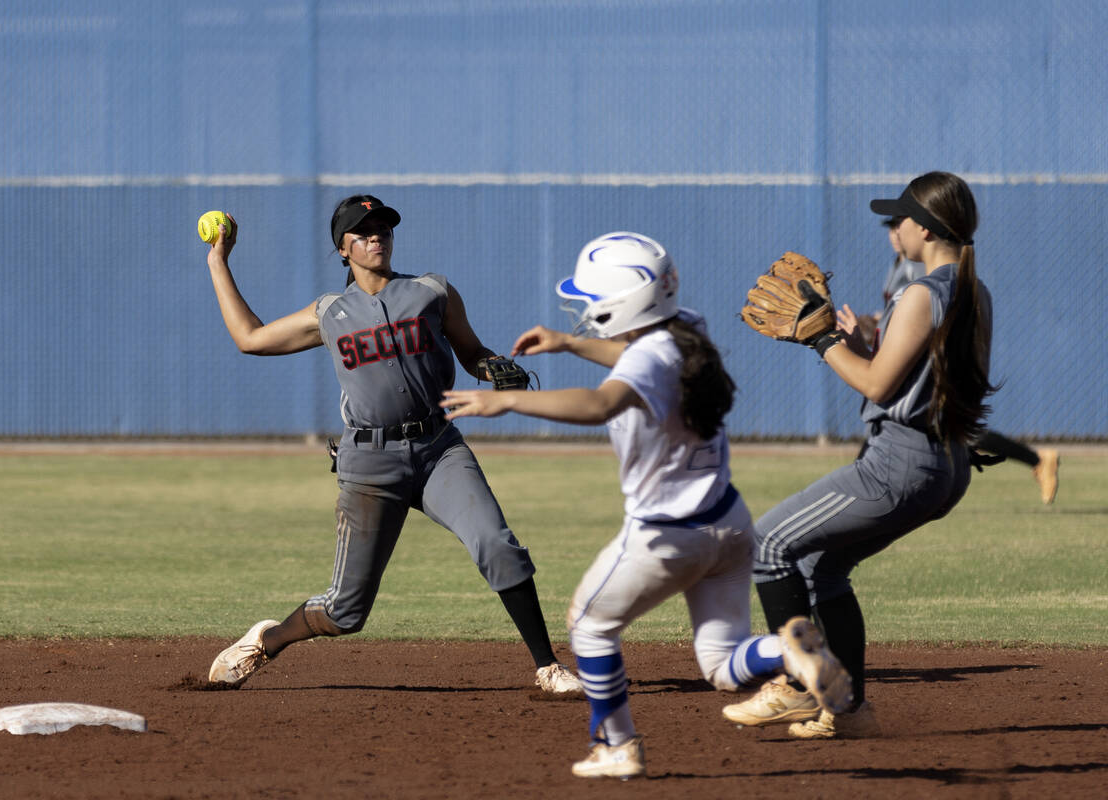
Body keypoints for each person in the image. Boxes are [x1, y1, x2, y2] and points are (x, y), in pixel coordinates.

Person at [442, 232, 851, 779]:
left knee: (588, 627)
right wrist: (569, 343)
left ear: (620, 302)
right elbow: (638, 358)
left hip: (666, 536)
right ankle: (788, 653)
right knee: (723, 666)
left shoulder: (649, 360)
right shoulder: (688, 331)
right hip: (729, 526)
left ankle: (617, 746)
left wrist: (506, 399)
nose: (585, 309)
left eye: (591, 300)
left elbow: (601, 402)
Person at [202, 194, 581, 695]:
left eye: (383, 226)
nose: (376, 235)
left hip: (438, 450)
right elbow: (250, 338)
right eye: (363, 230)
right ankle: (268, 640)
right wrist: (218, 261)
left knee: (496, 543)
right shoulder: (330, 312)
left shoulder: (432, 292)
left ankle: (547, 666)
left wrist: (492, 368)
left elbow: (470, 352)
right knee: (345, 612)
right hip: (369, 462)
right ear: (343, 248)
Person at [722, 171, 995, 739]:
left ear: (923, 227)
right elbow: (929, 380)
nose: (895, 226)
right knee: (825, 570)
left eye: (901, 217)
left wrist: (821, 341)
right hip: (947, 464)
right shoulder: (973, 290)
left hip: (900, 463)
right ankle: (850, 713)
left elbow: (877, 386)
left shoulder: (920, 294)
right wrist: (850, 343)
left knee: (768, 543)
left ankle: (795, 687)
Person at [860, 217, 1058, 504]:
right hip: (918, 362)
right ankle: (1037, 458)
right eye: (889, 228)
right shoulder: (897, 265)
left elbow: (924, 312)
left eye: (897, 225)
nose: (894, 234)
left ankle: (1038, 458)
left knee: (950, 428)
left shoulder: (918, 266)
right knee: (949, 429)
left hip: (932, 363)